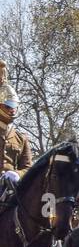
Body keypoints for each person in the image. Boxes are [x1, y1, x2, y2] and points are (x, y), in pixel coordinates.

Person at [0, 60, 33, 188]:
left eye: (14, 105)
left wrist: (16, 173)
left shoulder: (21, 138)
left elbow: (28, 168)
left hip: (10, 188)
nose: (11, 109)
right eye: (8, 106)